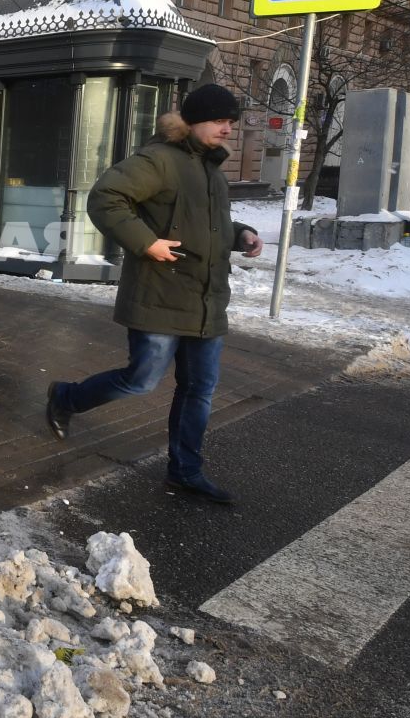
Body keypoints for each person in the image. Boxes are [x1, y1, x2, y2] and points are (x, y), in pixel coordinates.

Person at [44, 84, 263, 504]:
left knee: (199, 388)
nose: (228, 130)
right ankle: (65, 397)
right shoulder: (160, 160)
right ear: (195, 120)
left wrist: (242, 235)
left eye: (231, 122)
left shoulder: (213, 172)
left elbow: (206, 225)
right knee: (141, 381)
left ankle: (185, 471)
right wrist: (147, 242)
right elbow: (106, 198)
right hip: (161, 295)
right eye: (220, 121)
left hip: (207, 301)